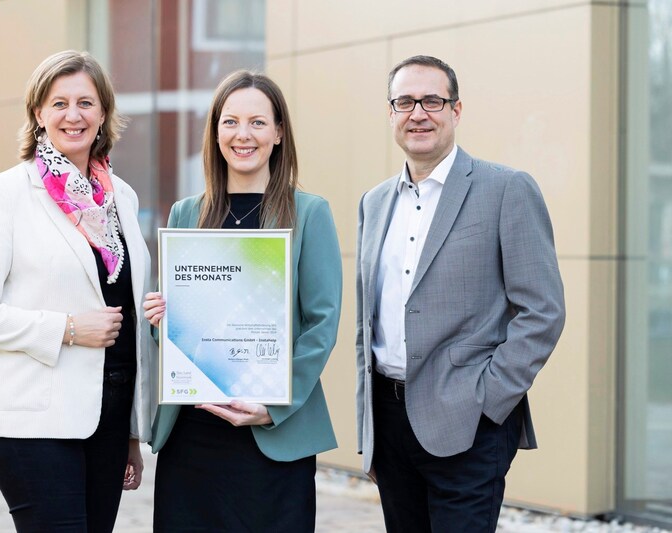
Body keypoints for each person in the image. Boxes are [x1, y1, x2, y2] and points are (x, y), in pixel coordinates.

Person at [0, 50, 157, 532]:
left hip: (107, 417)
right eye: (58, 103)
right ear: (38, 113)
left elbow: (124, 316)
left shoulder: (121, 197)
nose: (73, 115)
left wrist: (130, 435)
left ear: (103, 112)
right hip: (32, 422)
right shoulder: (7, 194)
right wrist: (65, 328)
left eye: (86, 102)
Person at [355, 55, 566, 532]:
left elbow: (543, 311)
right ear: (391, 113)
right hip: (389, 421)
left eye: (433, 100)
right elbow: (365, 325)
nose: (418, 113)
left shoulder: (506, 189)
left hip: (469, 422)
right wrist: (368, 428)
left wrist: (489, 400)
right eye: (405, 101)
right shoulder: (374, 202)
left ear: (456, 110)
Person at [143, 70, 342, 532]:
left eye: (257, 122)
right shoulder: (186, 213)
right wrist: (159, 320)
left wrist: (274, 403)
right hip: (193, 437)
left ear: (278, 133)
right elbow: (176, 328)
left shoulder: (309, 213)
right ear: (215, 133)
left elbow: (322, 322)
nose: (243, 134)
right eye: (230, 122)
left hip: (272, 434)